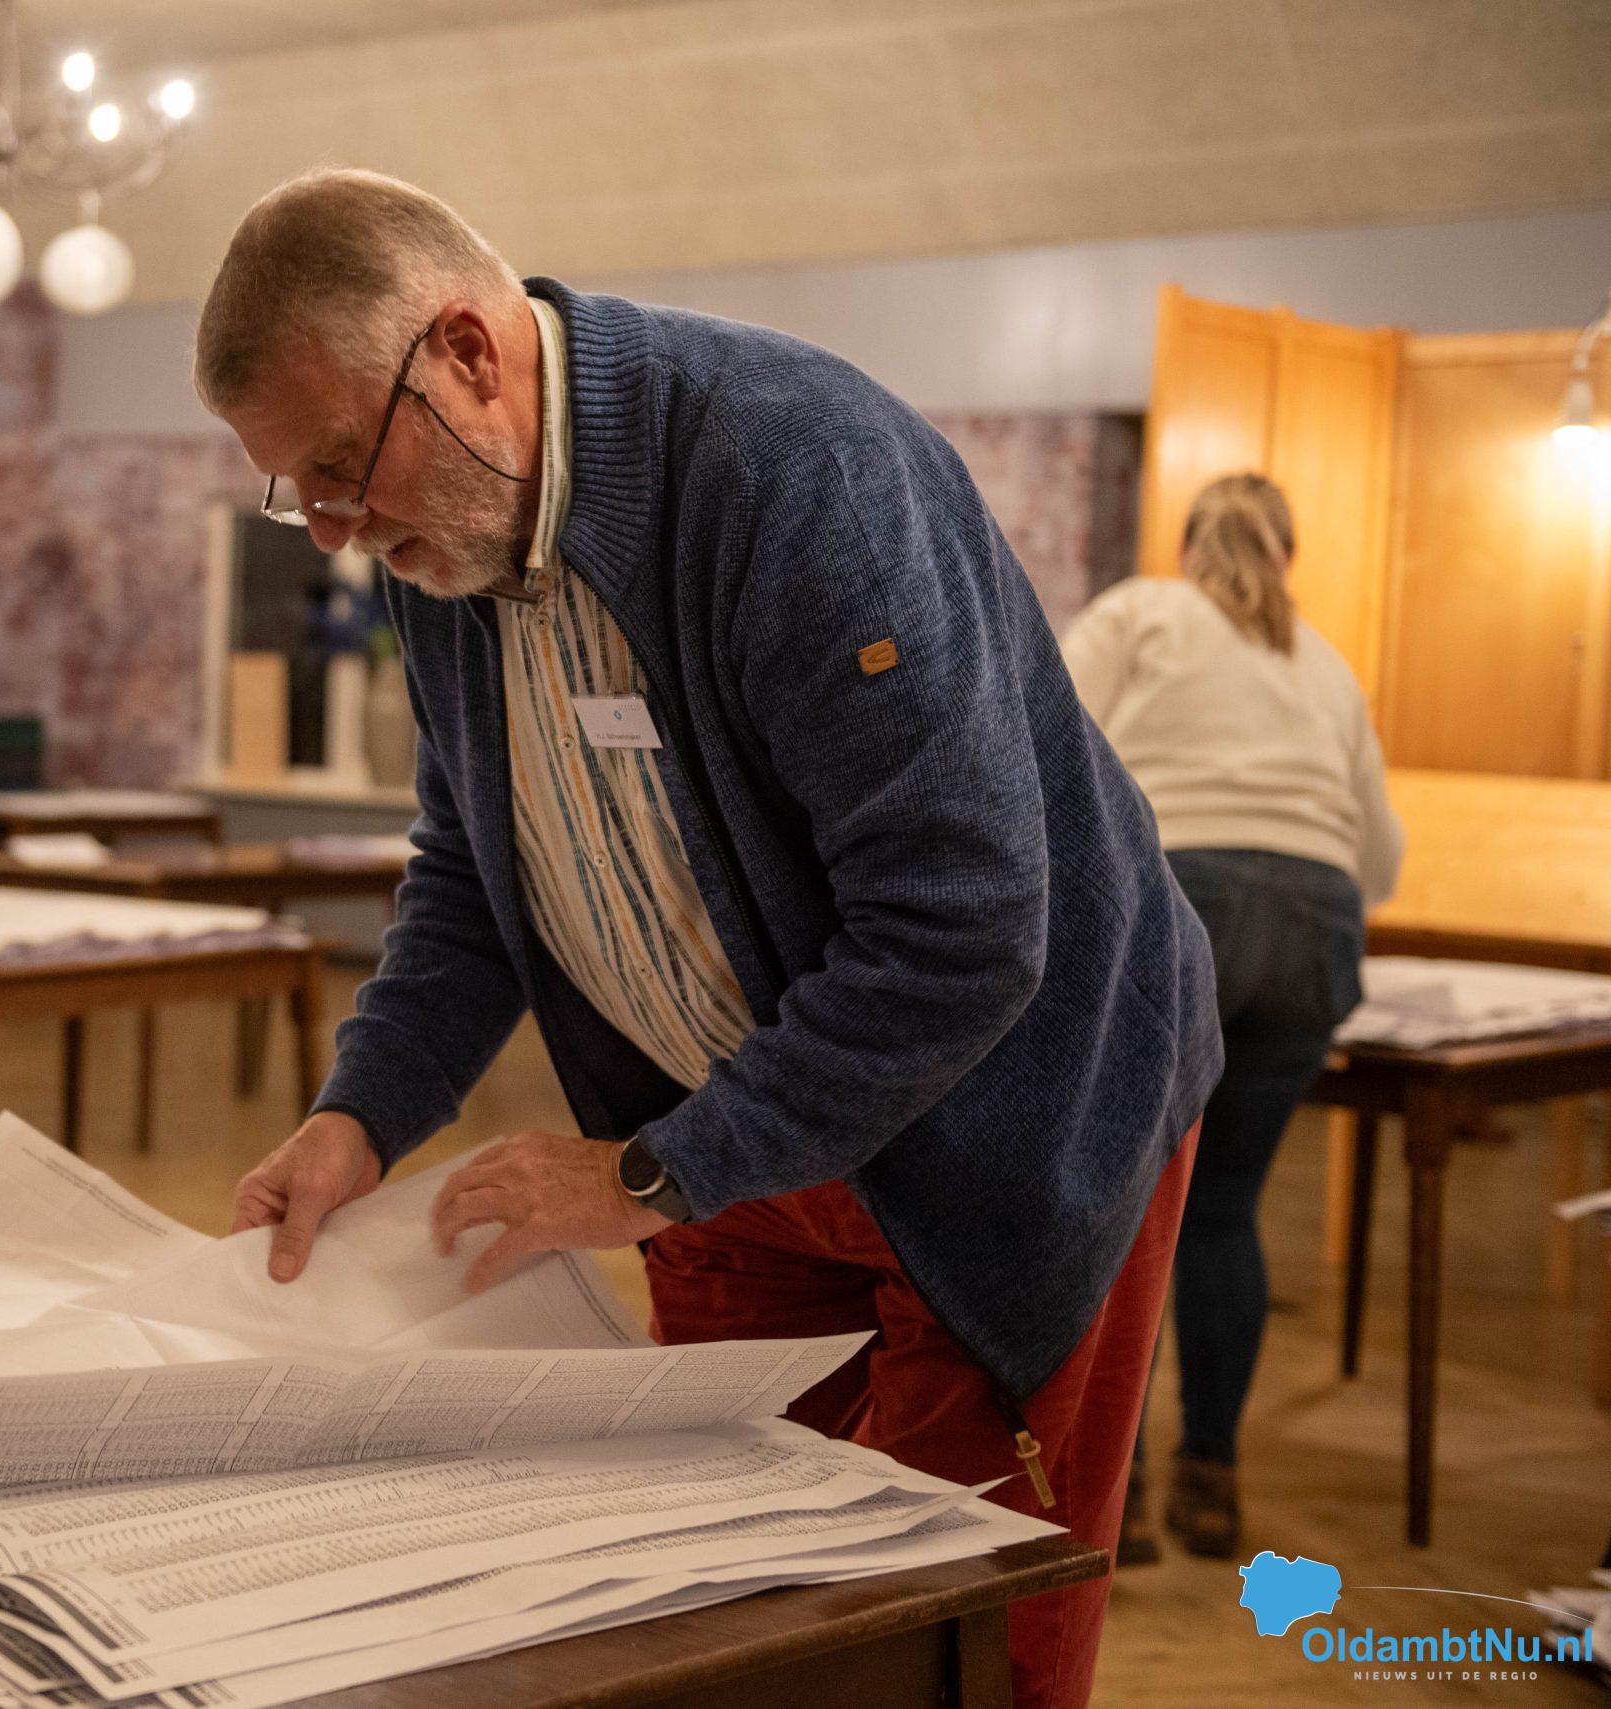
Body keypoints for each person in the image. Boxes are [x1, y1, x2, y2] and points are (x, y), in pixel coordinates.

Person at [198, 170, 1220, 1709]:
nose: (339, 533)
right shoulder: (442, 547)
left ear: (467, 354)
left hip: (999, 1123)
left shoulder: (794, 471)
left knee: (941, 1635)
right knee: (731, 1614)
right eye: (300, 493)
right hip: (730, 1140)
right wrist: (362, 1115)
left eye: (344, 466)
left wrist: (639, 1177)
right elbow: (478, 877)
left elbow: (961, 935)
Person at [1062, 473, 1401, 1561]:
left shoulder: (1139, 612)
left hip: (1185, 896)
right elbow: (1380, 855)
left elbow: (1052, 747)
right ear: (1288, 556)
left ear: (1185, 545)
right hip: (1315, 923)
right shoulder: (1326, 663)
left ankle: (1120, 1495)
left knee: (1130, 1209)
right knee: (1223, 1211)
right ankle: (1212, 1482)